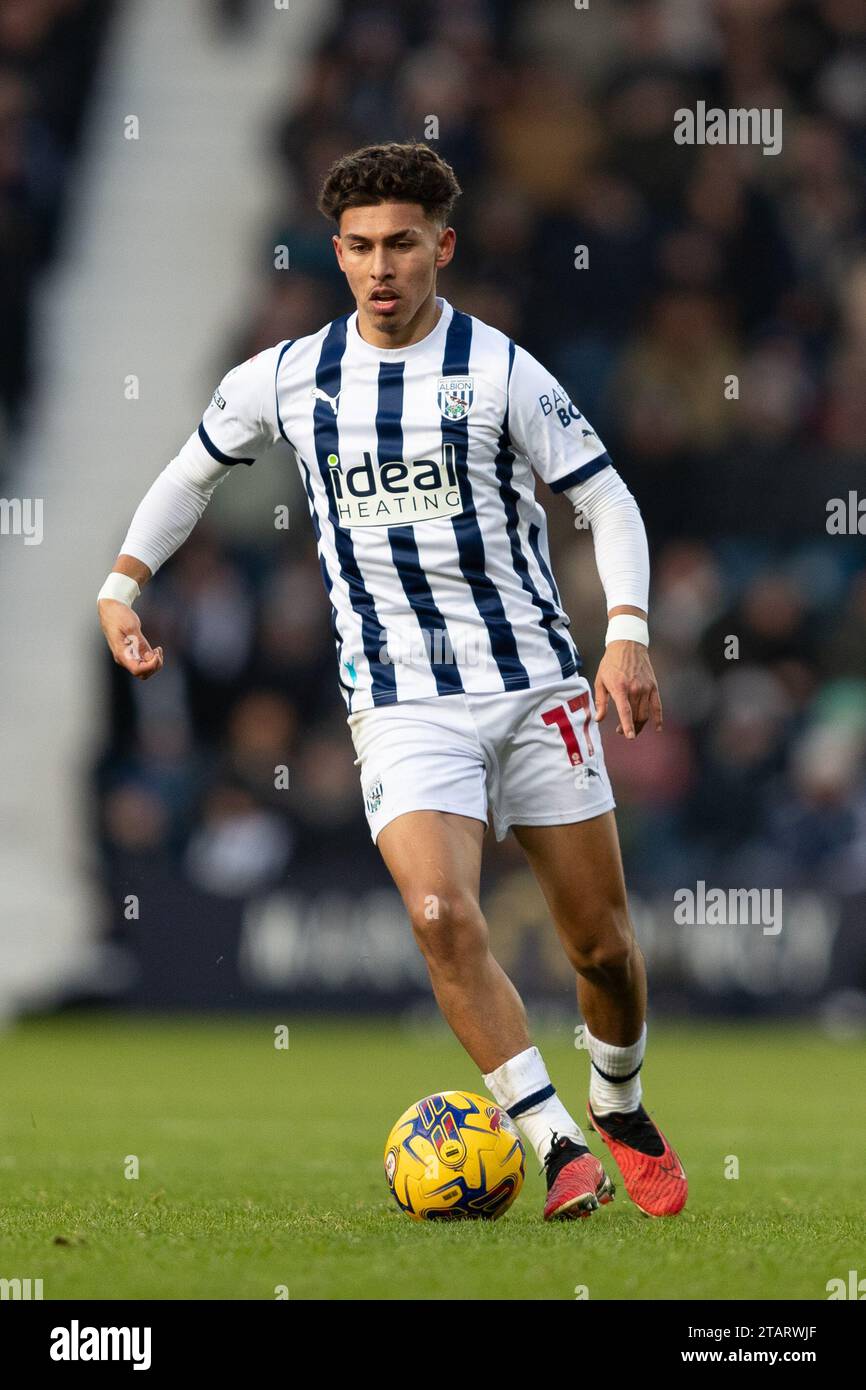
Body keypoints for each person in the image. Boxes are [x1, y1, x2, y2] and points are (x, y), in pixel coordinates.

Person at [97, 141, 686, 1220]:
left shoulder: (500, 368)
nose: (380, 266)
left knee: (599, 947)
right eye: (361, 247)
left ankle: (618, 1097)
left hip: (533, 686)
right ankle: (553, 1141)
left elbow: (606, 500)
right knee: (434, 908)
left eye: (401, 245)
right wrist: (123, 581)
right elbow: (187, 477)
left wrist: (628, 632)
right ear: (337, 252)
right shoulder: (286, 375)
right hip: (401, 702)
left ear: (440, 248)